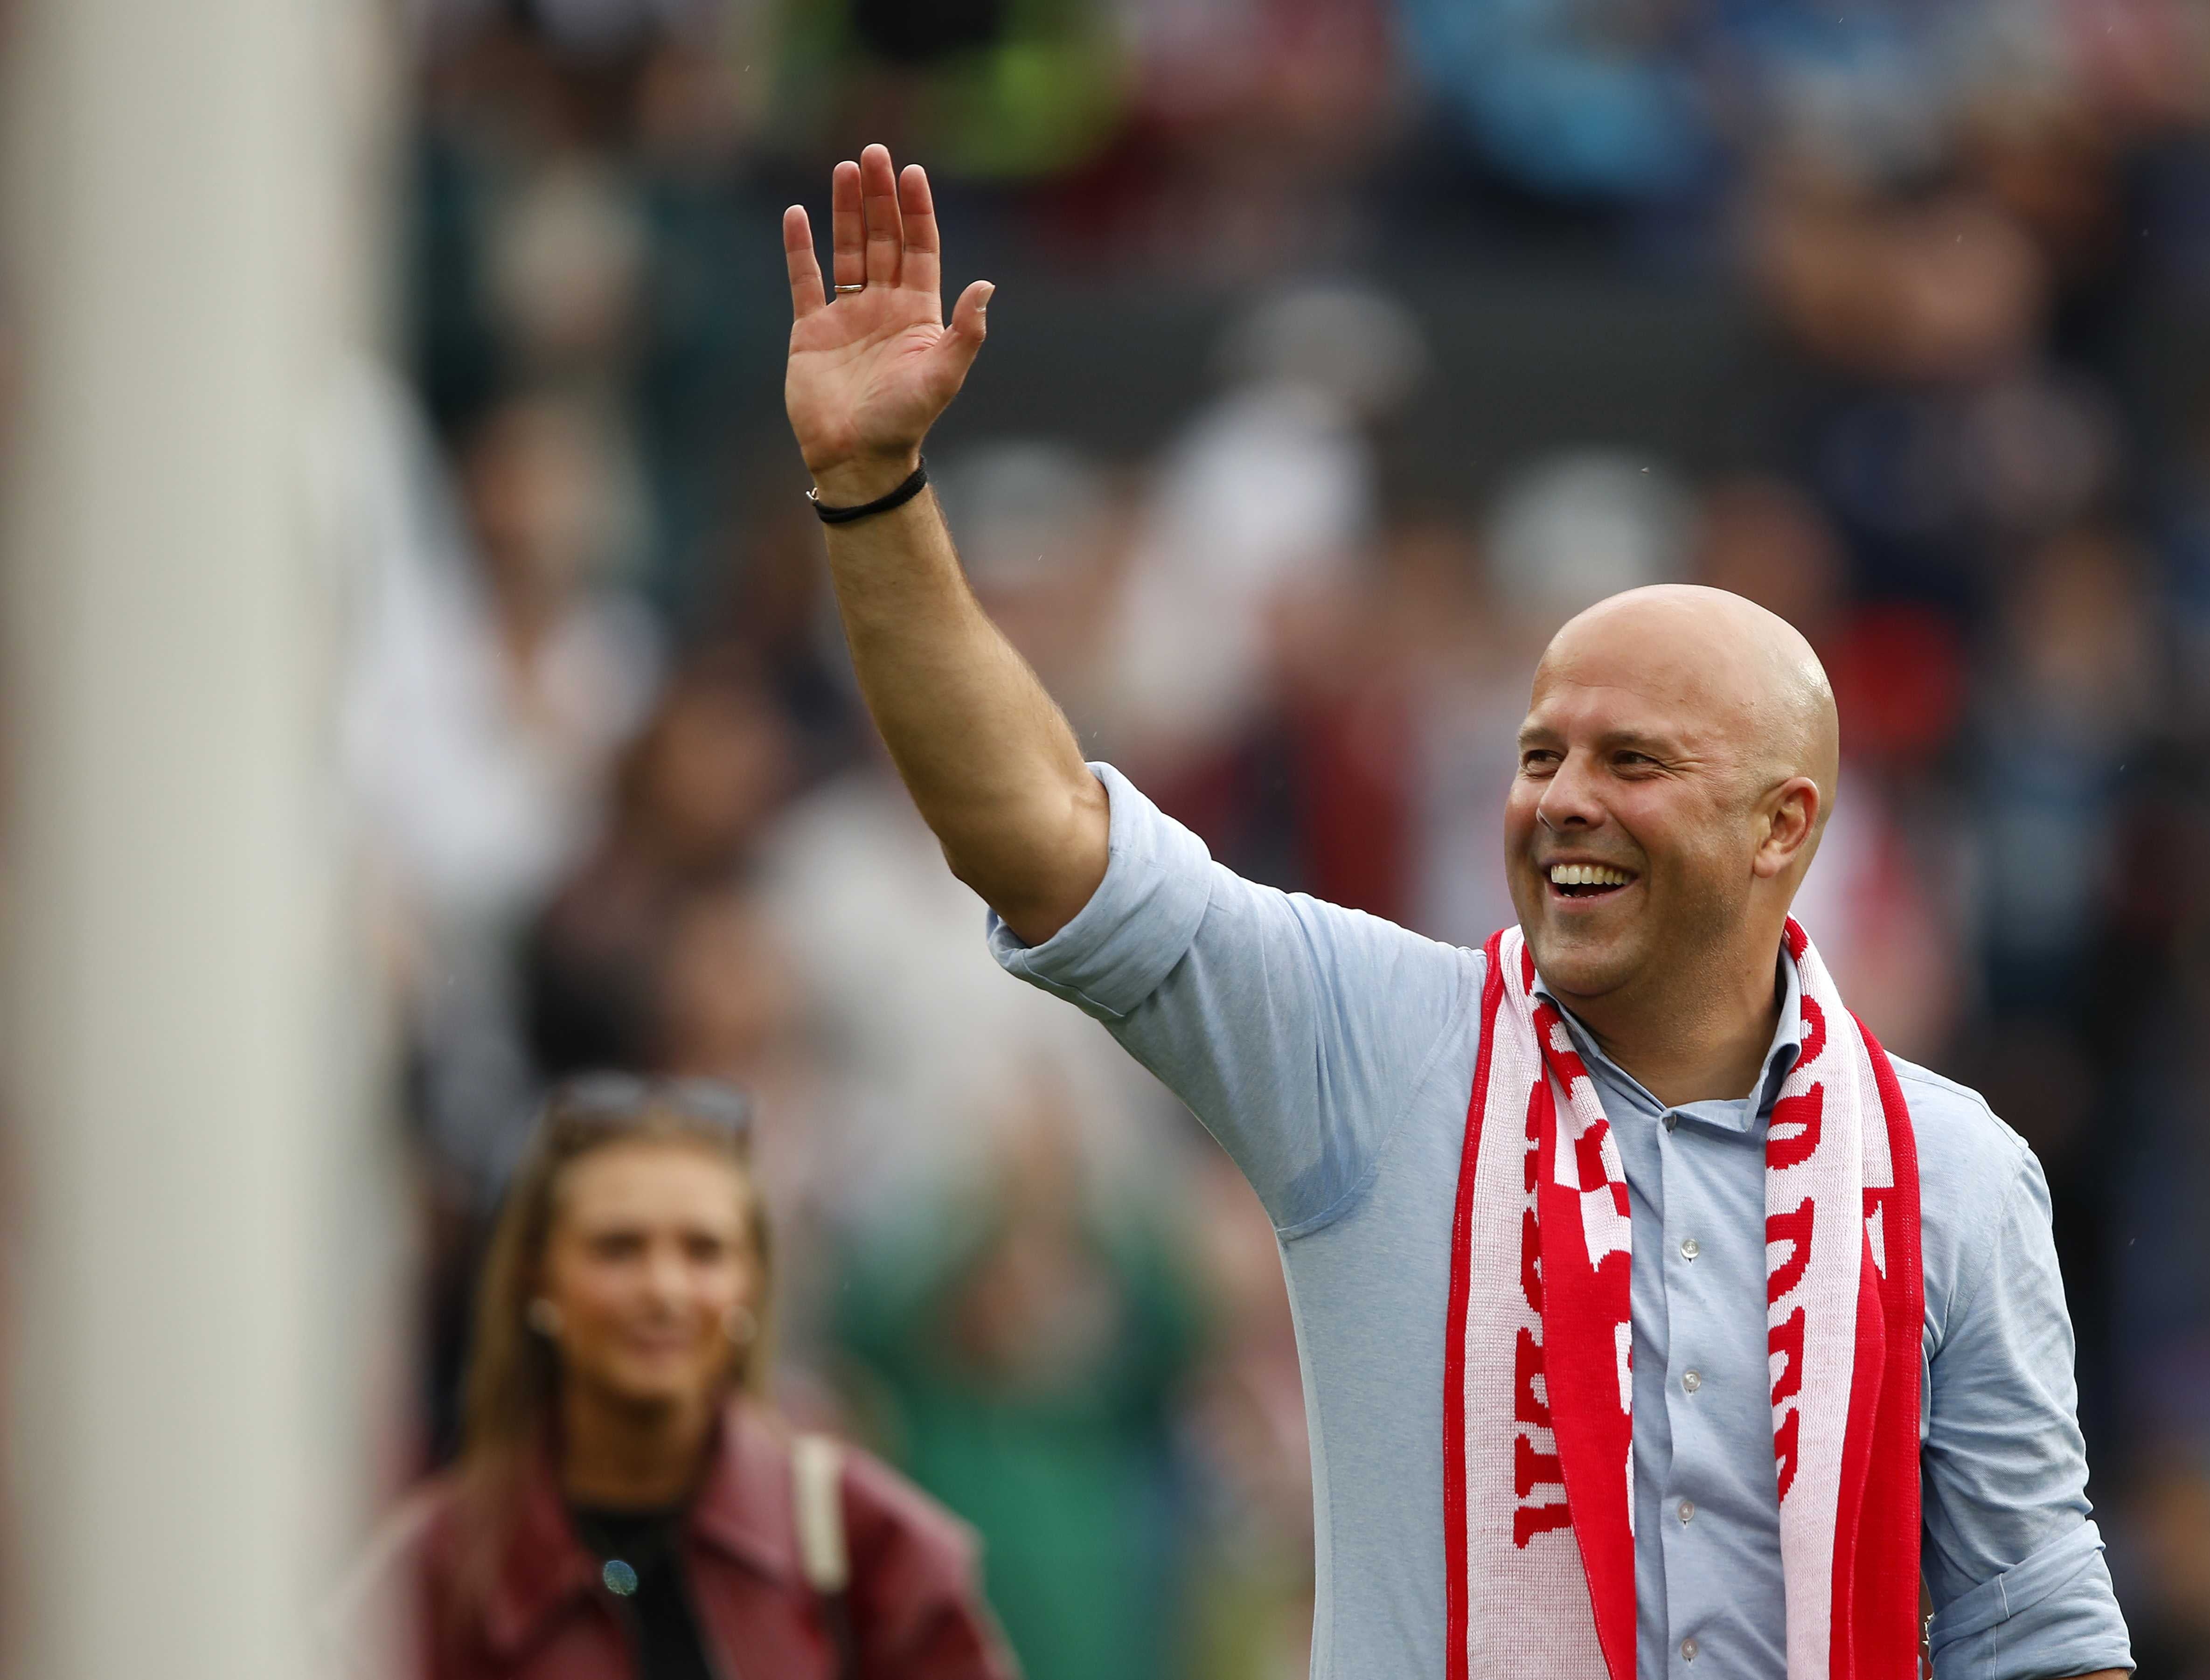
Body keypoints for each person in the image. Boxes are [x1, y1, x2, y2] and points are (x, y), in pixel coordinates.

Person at [777, 144, 2134, 1680]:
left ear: (1784, 828)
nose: (1562, 799)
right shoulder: (1373, 1046)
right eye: (1538, 754)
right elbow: (1035, 832)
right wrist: (873, 493)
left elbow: (2036, 1623)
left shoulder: (1952, 1171)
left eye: (1633, 763)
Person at [329, 1074, 1017, 1680]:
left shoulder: (869, 1547)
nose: (664, 1288)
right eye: (617, 1247)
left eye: (704, 1250)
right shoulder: (433, 1574)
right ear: (535, 1279)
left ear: (753, 1283)